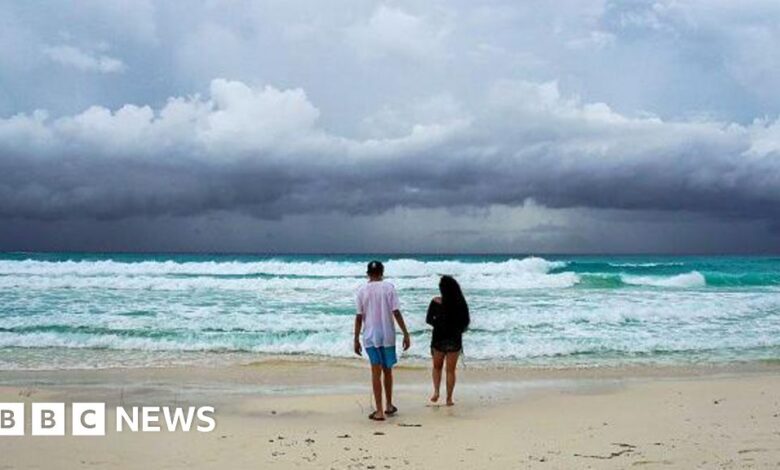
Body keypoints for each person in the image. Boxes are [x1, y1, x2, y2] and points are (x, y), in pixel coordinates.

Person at [354, 260, 411, 421]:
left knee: (375, 372)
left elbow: (359, 317)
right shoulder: (388, 288)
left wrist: (356, 339)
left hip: (370, 336)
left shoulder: (361, 290)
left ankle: (379, 411)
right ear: (382, 272)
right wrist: (406, 333)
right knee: (387, 370)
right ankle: (389, 405)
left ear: (368, 274)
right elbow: (396, 312)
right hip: (388, 335)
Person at [426, 275, 470, 406]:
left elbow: (428, 320)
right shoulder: (460, 303)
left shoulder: (435, 302)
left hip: (438, 338)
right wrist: (457, 330)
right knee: (450, 370)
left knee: (437, 367)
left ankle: (436, 392)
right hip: (454, 339)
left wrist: (439, 323)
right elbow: (466, 322)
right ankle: (449, 398)